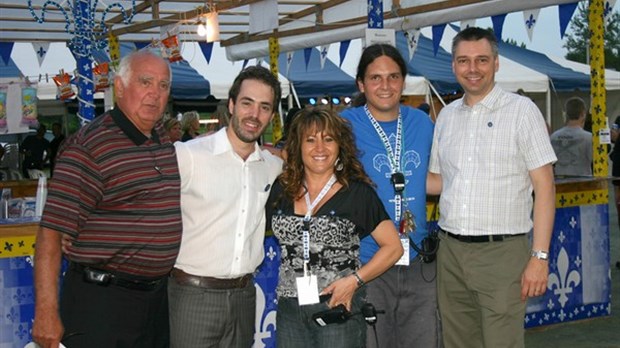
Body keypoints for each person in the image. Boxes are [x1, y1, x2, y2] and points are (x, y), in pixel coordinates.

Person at [32, 50, 181, 348]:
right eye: (146, 82)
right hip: (102, 302)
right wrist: (46, 311)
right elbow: (50, 234)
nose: (155, 94)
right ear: (120, 87)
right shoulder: (89, 147)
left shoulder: (162, 140)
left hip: (155, 302)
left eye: (163, 86)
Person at [427, 27, 556, 348]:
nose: (472, 69)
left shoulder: (522, 112)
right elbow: (440, 182)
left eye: (482, 60)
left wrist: (539, 257)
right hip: (451, 253)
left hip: (502, 254)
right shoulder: (446, 117)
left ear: (496, 63)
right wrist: (381, 171)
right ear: (454, 65)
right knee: (457, 343)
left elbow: (545, 188)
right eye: (464, 60)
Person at [266, 106, 403, 347]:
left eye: (328, 139)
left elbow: (393, 247)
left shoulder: (357, 193)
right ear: (298, 146)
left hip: (338, 304)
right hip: (290, 308)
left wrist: (355, 281)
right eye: (310, 140)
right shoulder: (281, 190)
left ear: (340, 146)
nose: (320, 148)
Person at [168, 66, 283, 347]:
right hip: (192, 295)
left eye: (264, 107)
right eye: (247, 103)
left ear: (271, 115)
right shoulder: (188, 155)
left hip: (245, 297)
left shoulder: (272, 166)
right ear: (231, 105)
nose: (254, 115)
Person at [340, 43, 438, 348]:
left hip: (419, 258)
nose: (385, 86)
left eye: (393, 77)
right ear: (361, 84)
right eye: (375, 78)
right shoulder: (344, 124)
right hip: (369, 259)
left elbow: (430, 179)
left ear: (403, 81)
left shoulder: (422, 122)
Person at [550, 96, 592, 176]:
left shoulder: (553, 137)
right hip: (583, 184)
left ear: (566, 114)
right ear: (583, 114)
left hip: (560, 184)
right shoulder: (589, 138)